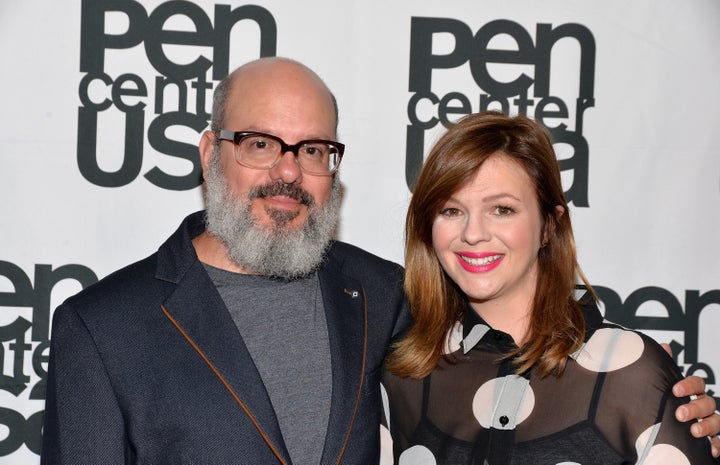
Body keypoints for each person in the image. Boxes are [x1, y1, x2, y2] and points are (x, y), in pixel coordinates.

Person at [41, 59, 717, 465]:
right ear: (209, 152)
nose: (288, 172)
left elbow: (515, 333)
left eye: (312, 150)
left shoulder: (383, 294)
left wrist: (643, 384)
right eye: (259, 144)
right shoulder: (103, 329)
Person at [381, 110, 720, 464]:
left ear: (548, 227)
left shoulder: (632, 374)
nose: (473, 233)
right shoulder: (401, 375)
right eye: (451, 210)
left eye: (502, 209)